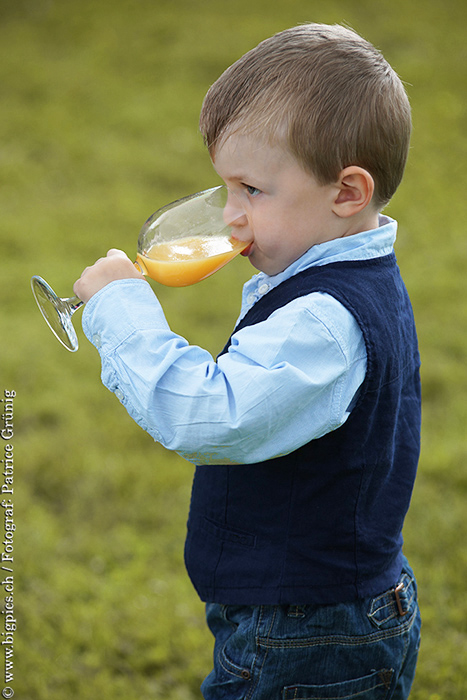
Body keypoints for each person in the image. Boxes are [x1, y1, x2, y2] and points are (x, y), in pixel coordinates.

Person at [73, 23, 421, 700]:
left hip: (308, 632)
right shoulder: (345, 273)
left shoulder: (324, 318)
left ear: (346, 193)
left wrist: (119, 310)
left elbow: (209, 417)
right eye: (224, 189)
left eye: (251, 191)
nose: (230, 218)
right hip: (309, 615)